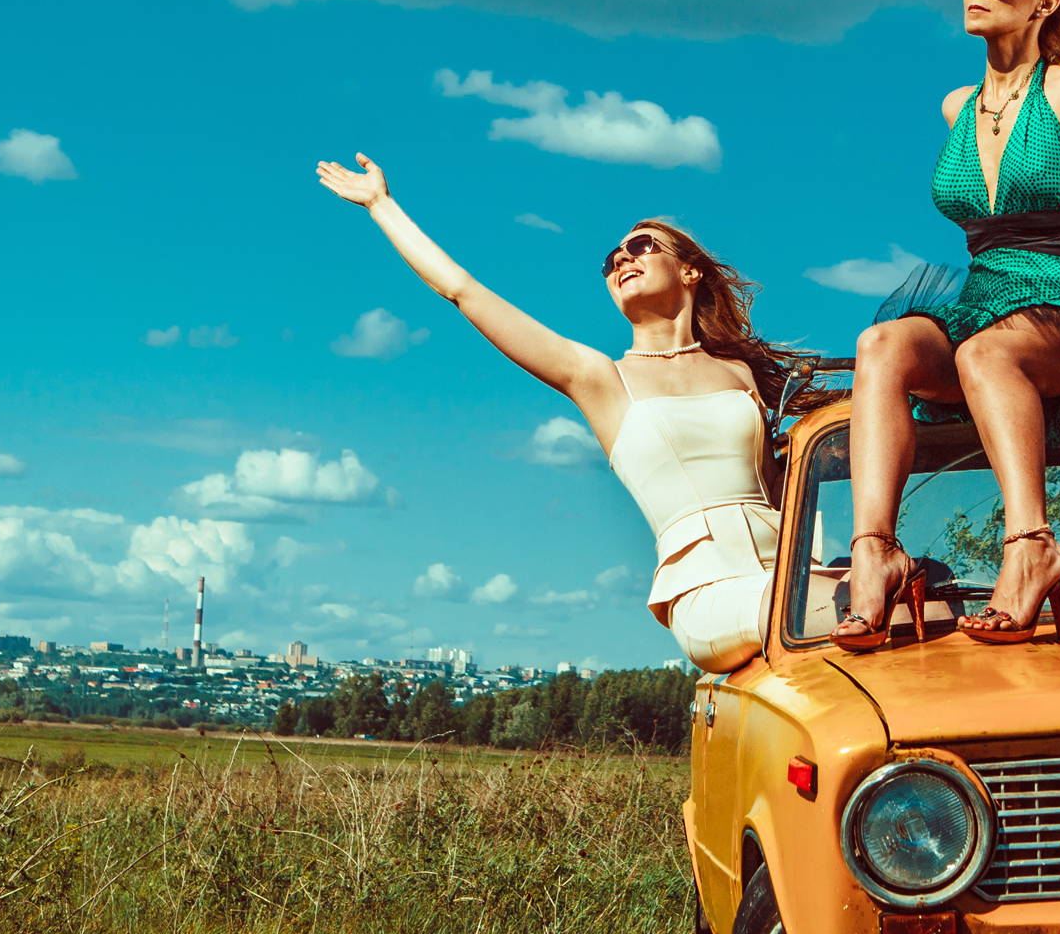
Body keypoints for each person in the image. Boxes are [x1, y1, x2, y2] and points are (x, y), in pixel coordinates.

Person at [314, 156, 801, 673]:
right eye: (611, 259)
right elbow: (464, 291)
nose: (620, 260)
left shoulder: (741, 375)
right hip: (712, 593)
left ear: (690, 269)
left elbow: (782, 491)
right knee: (817, 613)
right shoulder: (601, 379)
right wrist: (381, 205)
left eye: (640, 246)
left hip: (790, 574)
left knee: (886, 596)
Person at [835, 0, 1060, 650]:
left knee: (985, 355)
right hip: (987, 293)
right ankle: (876, 553)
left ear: (1044, 2)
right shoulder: (955, 106)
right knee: (882, 344)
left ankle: (1031, 546)